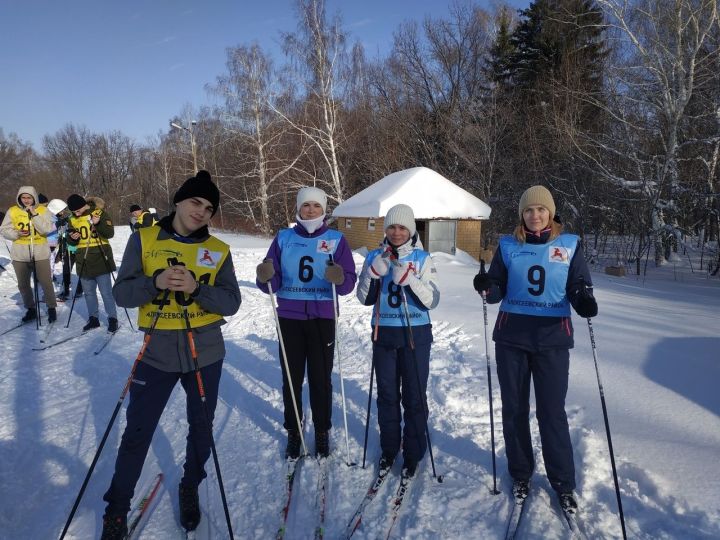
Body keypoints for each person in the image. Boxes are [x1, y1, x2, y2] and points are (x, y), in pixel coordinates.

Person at [100, 170, 241, 539]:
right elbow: (122, 295)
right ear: (179, 201)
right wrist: (155, 283)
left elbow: (232, 302)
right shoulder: (144, 240)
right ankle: (116, 509)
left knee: (201, 429)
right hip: (157, 352)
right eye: (195, 202)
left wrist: (196, 289)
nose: (202, 212)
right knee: (137, 432)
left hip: (205, 351)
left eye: (209, 208)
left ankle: (190, 484)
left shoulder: (218, 250)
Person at [472, 185, 598, 514]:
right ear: (522, 215)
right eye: (529, 210)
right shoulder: (509, 245)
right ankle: (521, 473)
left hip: (552, 339)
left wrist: (583, 299)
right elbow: (496, 288)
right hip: (512, 337)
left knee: (551, 412)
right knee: (514, 410)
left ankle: (562, 483)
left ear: (551, 213)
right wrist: (487, 286)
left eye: (541, 209)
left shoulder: (569, 245)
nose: (535, 215)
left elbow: (577, 284)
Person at [256, 186, 357, 459]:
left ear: (324, 209)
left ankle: (322, 430)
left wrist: (340, 278)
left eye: (315, 206)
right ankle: (294, 431)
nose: (310, 210)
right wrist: (265, 276)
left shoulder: (336, 239)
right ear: (298, 209)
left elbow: (348, 283)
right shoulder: (283, 238)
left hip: (322, 317)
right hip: (289, 318)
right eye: (305, 206)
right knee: (292, 378)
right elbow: (271, 281)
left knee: (320, 379)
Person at [355, 204, 440, 479]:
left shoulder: (423, 258)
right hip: (384, 335)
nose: (396, 232)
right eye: (392, 227)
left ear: (411, 230)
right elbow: (363, 298)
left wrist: (410, 280)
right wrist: (371, 274)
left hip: (416, 335)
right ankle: (389, 449)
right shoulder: (374, 257)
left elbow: (433, 299)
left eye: (402, 227)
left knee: (414, 396)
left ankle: (413, 452)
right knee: (388, 396)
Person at [0, 186, 58, 323]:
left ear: (34, 198)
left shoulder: (43, 210)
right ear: (19, 198)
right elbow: (4, 229)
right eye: (23, 197)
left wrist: (34, 214)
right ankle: (31, 309)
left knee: (46, 282)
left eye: (29, 197)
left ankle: (51, 308)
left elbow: (45, 230)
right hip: (20, 253)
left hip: (40, 252)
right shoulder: (13, 211)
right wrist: (16, 233)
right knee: (23, 284)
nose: (26, 200)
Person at [66, 194, 119, 332]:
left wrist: (98, 223)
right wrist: (72, 237)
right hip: (83, 259)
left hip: (101, 256)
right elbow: (70, 241)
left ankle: (112, 318)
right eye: (74, 212)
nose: (76, 214)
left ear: (84, 205)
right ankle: (93, 318)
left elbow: (109, 233)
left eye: (78, 210)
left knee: (106, 292)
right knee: (89, 293)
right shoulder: (72, 219)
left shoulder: (99, 213)